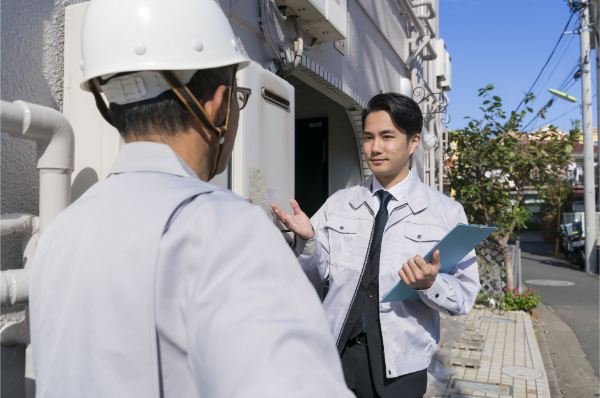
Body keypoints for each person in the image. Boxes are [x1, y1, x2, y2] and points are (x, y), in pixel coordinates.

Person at [29, 0, 353, 397]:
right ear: (218, 105)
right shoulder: (227, 231)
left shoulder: (60, 231)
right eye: (240, 98)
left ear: (109, 103)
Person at [272, 93, 480, 398]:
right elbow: (316, 276)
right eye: (368, 137)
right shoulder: (339, 203)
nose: (375, 147)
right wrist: (307, 240)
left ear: (413, 142)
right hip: (335, 355)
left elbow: (463, 297)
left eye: (387, 136)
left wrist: (430, 284)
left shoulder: (446, 213)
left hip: (401, 368)